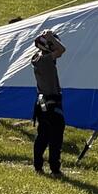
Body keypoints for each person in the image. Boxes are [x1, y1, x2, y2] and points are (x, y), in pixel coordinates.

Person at [30, 28, 67, 175]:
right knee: (55, 136)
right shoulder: (45, 60)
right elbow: (62, 50)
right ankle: (55, 168)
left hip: (42, 102)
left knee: (43, 135)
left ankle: (38, 166)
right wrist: (50, 36)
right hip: (51, 102)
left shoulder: (37, 58)